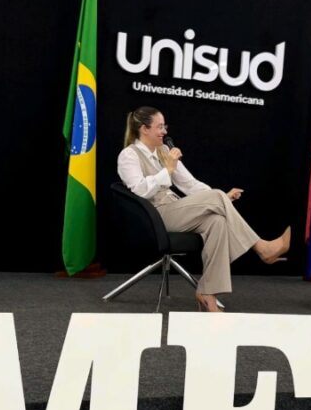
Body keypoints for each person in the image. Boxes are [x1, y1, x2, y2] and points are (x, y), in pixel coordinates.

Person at [117, 105, 291, 312]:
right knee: (216, 198)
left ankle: (208, 292)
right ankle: (262, 248)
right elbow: (139, 190)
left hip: (174, 209)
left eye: (165, 126)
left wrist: (221, 199)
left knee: (216, 222)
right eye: (160, 127)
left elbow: (190, 184)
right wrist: (168, 170)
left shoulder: (164, 151)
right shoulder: (129, 155)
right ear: (144, 129)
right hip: (153, 215)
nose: (165, 131)